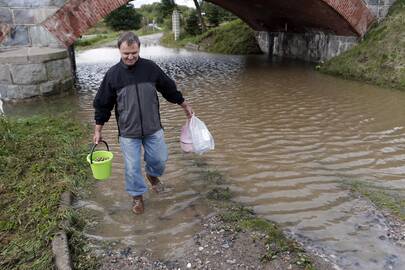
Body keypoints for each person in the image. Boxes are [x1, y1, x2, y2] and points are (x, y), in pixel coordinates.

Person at [93, 31, 193, 215]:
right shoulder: (113, 75)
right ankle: (137, 197)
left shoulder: (150, 68)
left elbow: (169, 89)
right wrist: (98, 130)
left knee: (159, 160)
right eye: (126, 54)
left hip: (153, 128)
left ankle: (152, 176)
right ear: (119, 51)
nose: (130, 57)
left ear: (139, 49)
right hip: (128, 132)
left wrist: (185, 106)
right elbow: (102, 104)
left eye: (134, 53)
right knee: (132, 167)